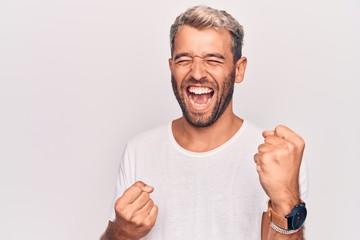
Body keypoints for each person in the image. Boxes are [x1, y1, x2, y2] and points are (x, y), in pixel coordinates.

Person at [100, 5, 308, 240]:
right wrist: (121, 232)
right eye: (184, 59)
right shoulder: (139, 150)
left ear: (239, 70)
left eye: (213, 60)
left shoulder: (277, 158)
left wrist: (285, 200)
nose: (197, 72)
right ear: (171, 68)